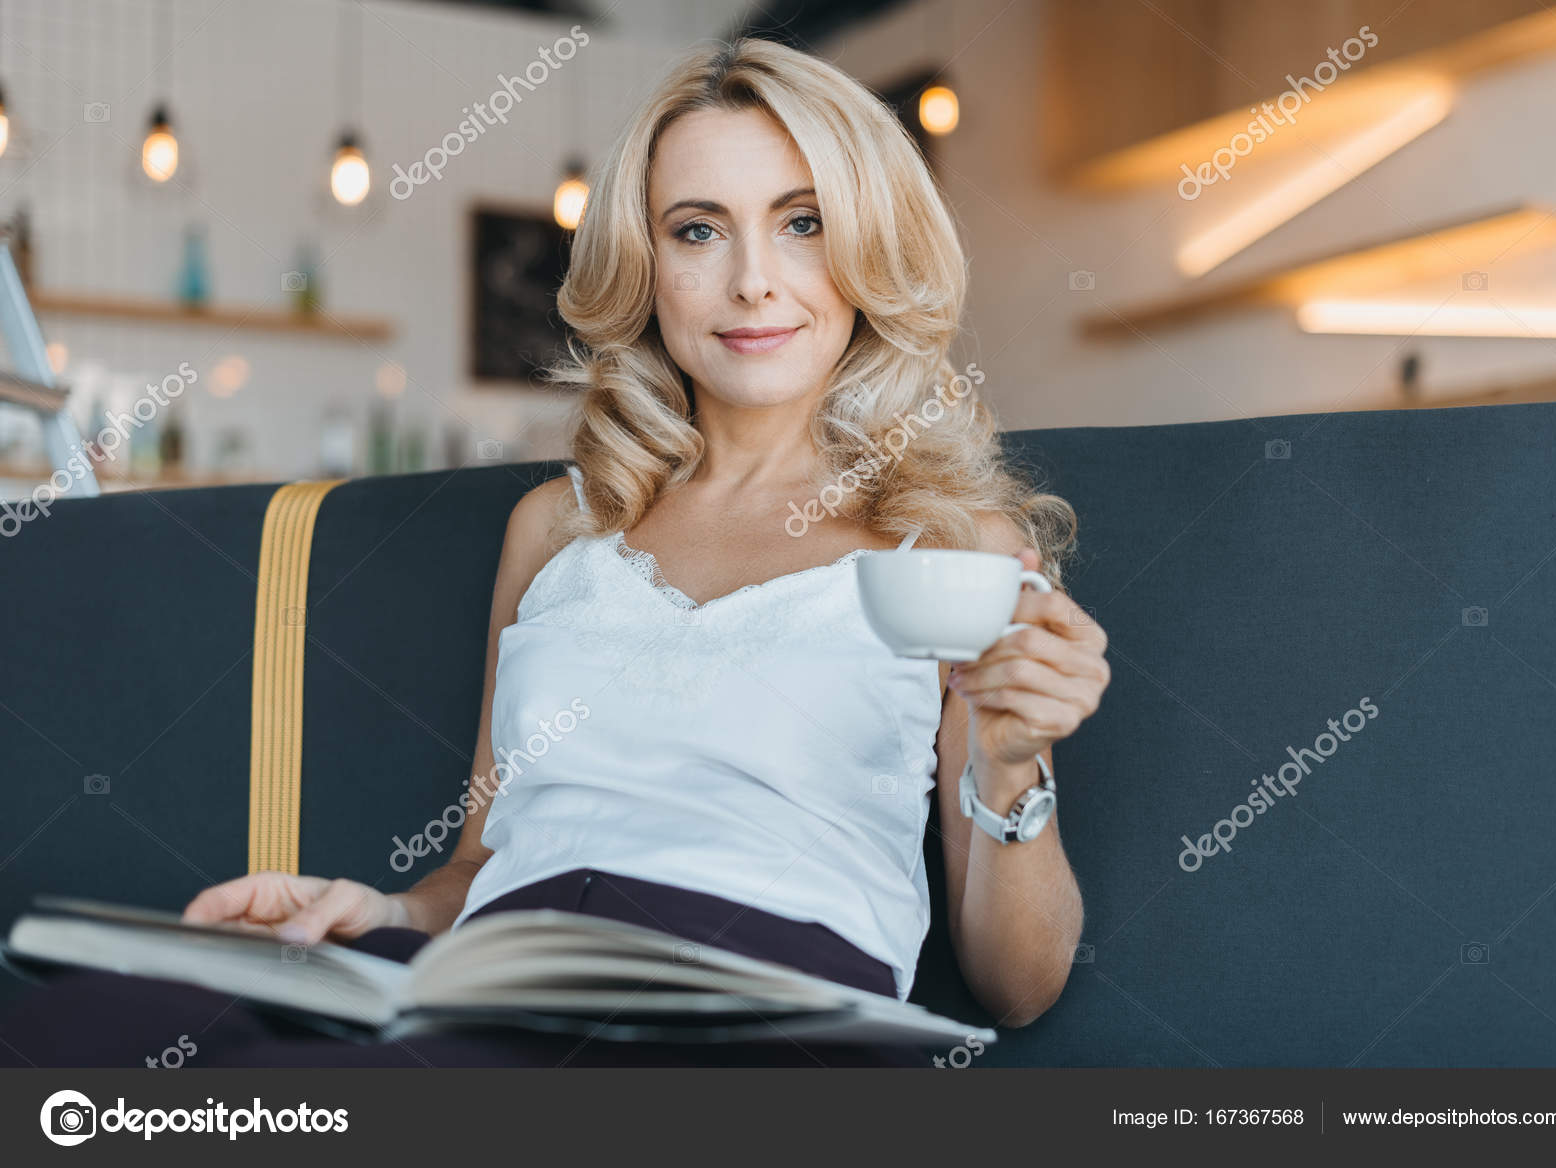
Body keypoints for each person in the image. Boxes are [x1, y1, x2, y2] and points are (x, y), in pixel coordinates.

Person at [0, 36, 1109, 1068]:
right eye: (697, 228)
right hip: (493, 975)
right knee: (78, 1029)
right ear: (648, 264)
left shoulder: (956, 547)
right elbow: (479, 864)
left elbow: (1018, 985)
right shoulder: (559, 526)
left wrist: (1008, 768)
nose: (753, 280)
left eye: (804, 221)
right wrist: (379, 913)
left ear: (869, 245)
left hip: (751, 1016)